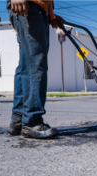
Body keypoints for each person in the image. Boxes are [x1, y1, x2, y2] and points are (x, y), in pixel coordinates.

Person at [7, 0, 65, 139]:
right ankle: (31, 122)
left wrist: (51, 16)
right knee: (35, 63)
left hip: (38, 10)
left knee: (26, 65)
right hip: (28, 6)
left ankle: (18, 121)